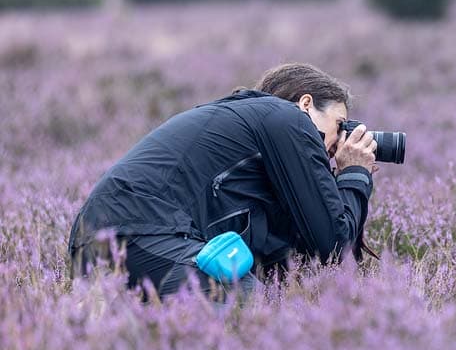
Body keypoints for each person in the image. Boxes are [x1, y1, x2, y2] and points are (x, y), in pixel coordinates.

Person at [68, 63, 377, 300]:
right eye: (340, 126)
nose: (340, 143)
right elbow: (334, 246)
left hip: (100, 241)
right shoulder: (286, 118)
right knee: (240, 301)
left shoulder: (250, 143)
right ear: (305, 104)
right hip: (142, 232)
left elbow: (301, 259)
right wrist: (355, 174)